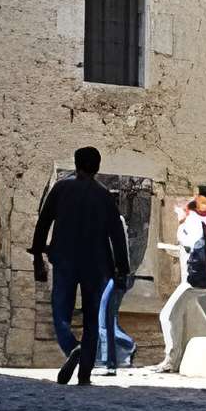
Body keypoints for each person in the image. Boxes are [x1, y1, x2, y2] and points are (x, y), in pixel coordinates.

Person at [31, 147, 131, 386]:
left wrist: (37, 257)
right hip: (96, 265)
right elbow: (116, 235)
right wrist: (122, 269)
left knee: (60, 312)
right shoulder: (104, 196)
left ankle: (71, 346)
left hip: (65, 259)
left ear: (76, 164)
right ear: (97, 167)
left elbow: (43, 222)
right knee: (92, 320)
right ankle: (84, 372)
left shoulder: (62, 189)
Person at [154, 190, 206, 375]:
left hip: (196, 280)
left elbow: (192, 246)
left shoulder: (191, 221)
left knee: (167, 314)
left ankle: (171, 359)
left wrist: (180, 238)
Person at [96, 273, 136, 377]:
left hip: (116, 278)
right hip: (118, 278)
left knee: (104, 324)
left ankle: (107, 361)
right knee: (109, 321)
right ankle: (105, 359)